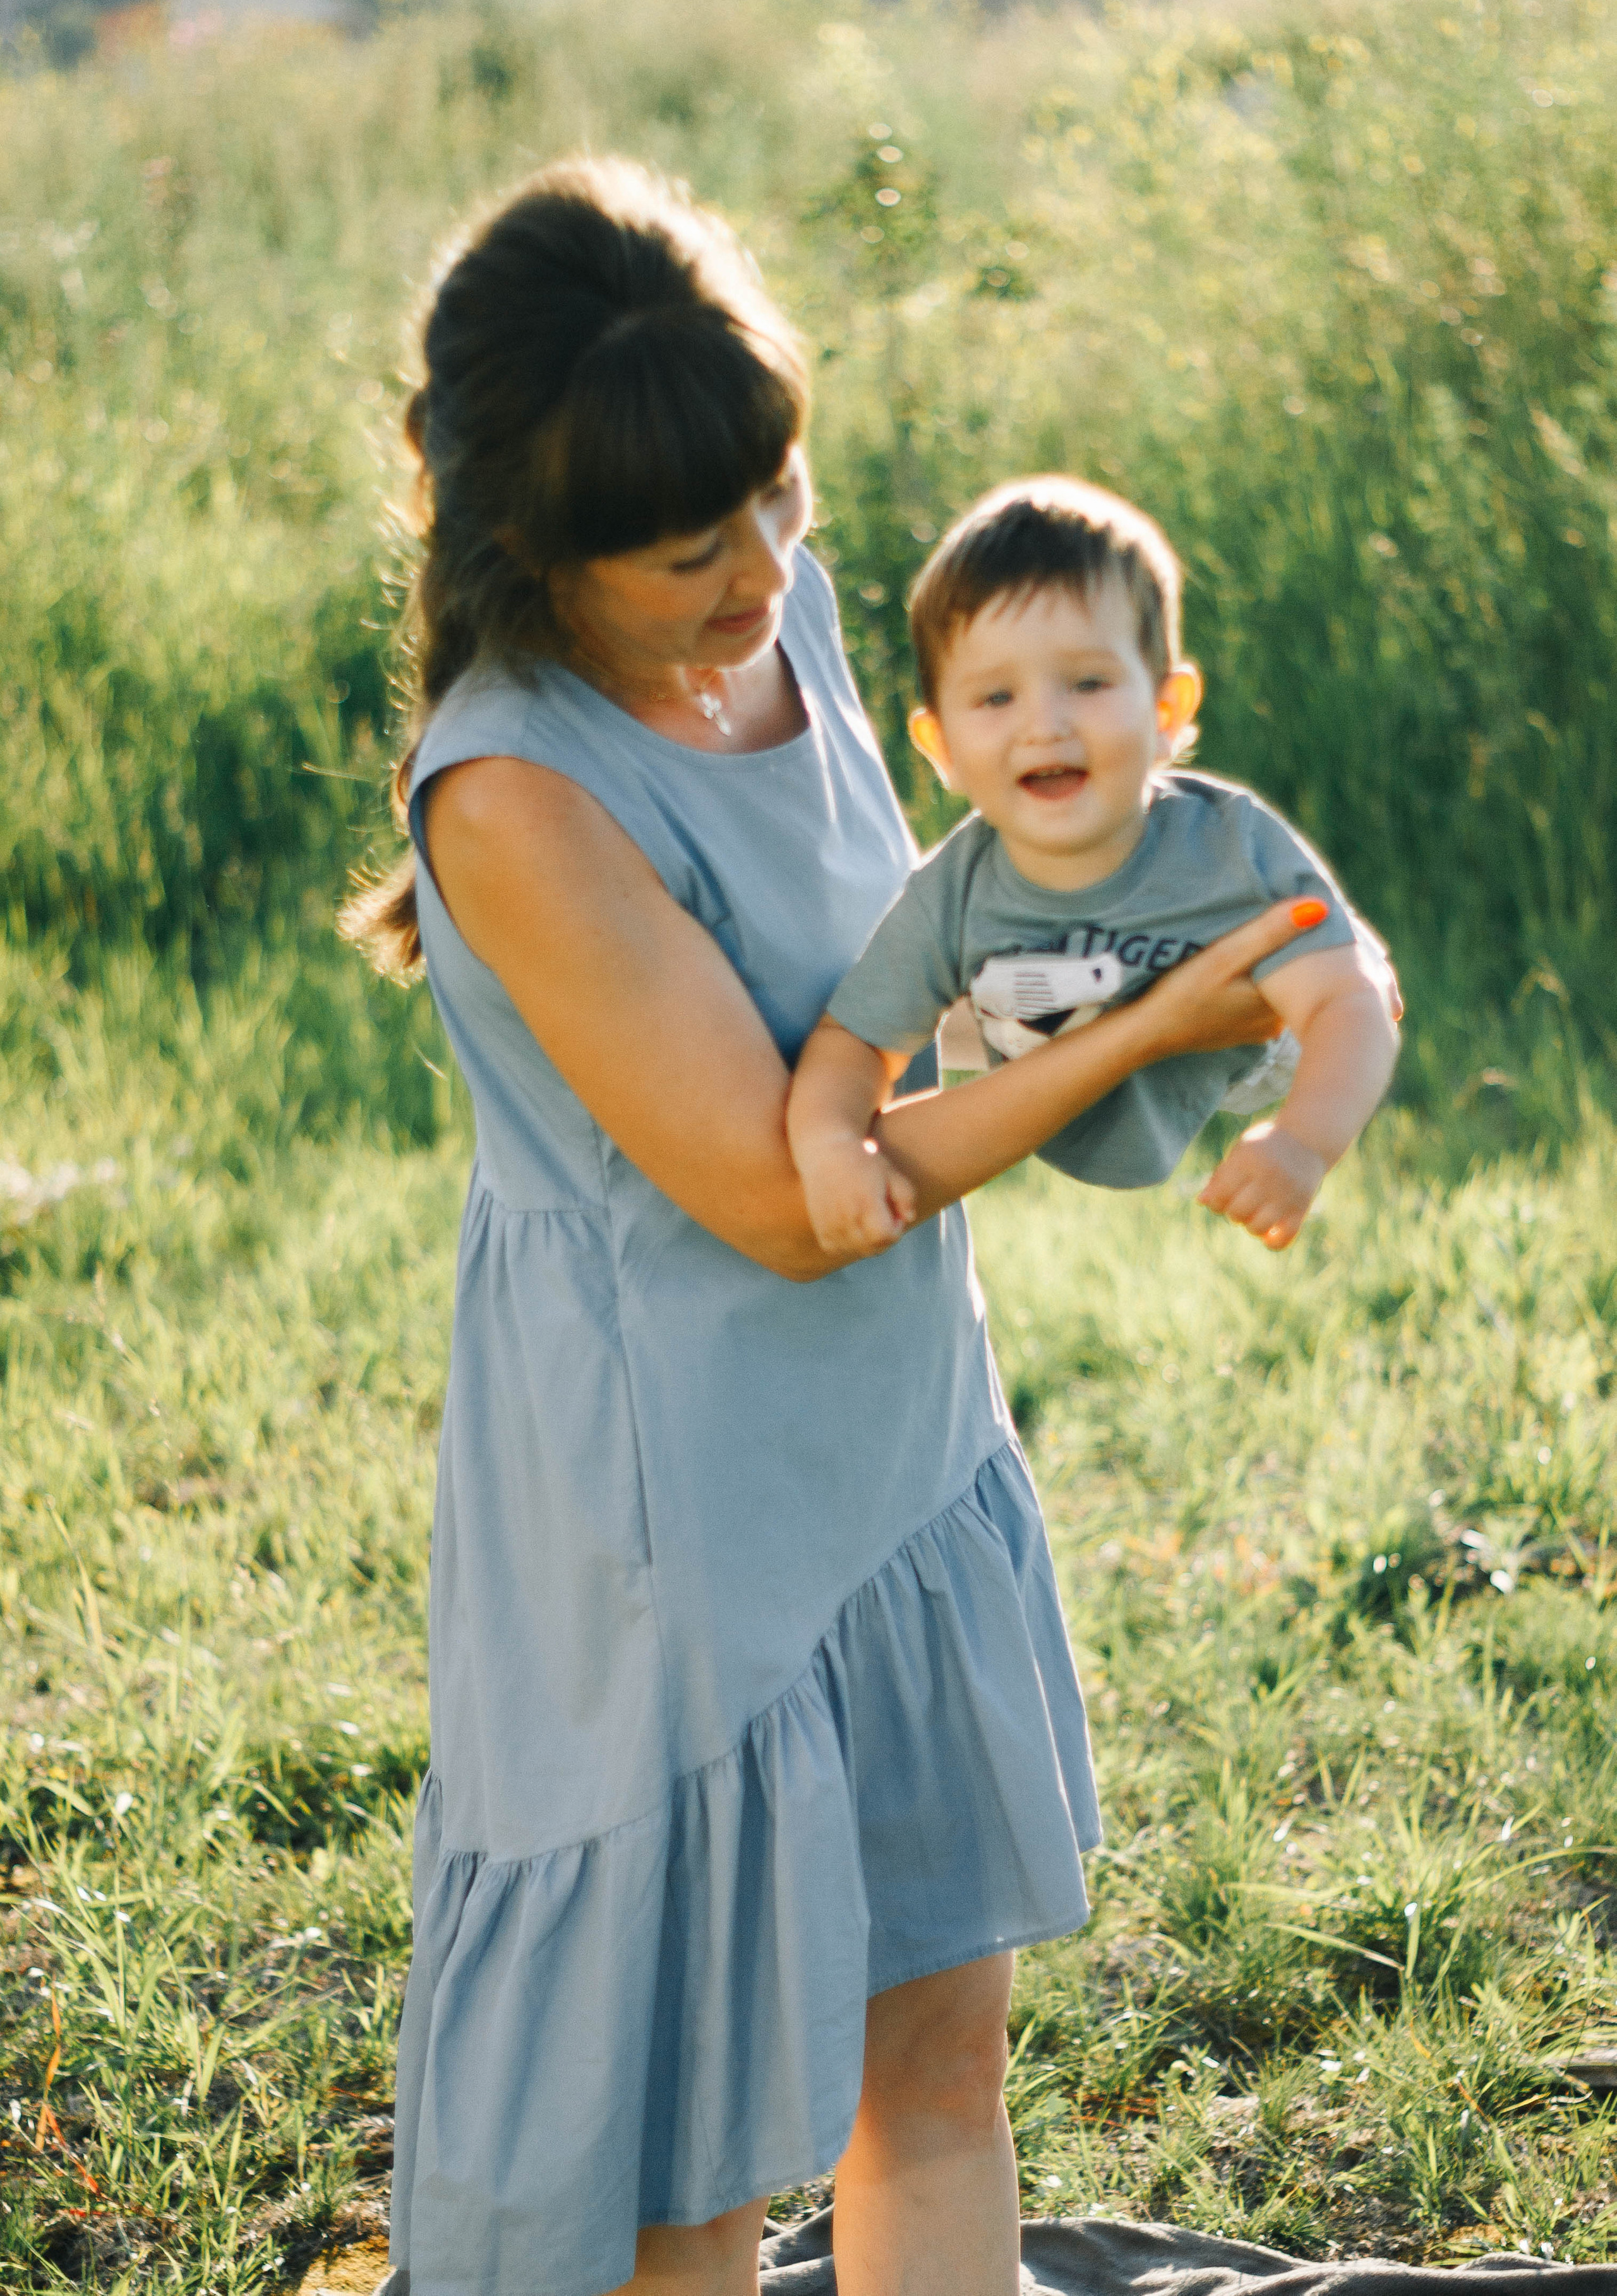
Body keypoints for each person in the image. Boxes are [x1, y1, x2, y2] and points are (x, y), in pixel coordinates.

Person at [341, 159, 1362, 2296]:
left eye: (779, 504)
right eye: (690, 552)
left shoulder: (778, 603)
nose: (764, 574)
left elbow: (900, 973)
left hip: (894, 1440)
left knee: (940, 2049)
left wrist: (1124, 951)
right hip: (678, 1511)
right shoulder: (513, 792)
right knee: (688, 2153)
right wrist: (1153, 1027)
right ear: (530, 546)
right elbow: (794, 1204)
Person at [787, 479, 1400, 1263]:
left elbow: (1350, 1005)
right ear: (939, 746)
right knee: (973, 1001)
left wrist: (1302, 1142)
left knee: (1347, 973)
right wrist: (833, 1148)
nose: (1044, 724)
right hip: (1049, 1034)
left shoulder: (1226, 844)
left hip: (1248, 1047)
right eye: (996, 697)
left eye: (1088, 683)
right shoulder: (955, 890)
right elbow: (855, 1040)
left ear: (1166, 712)